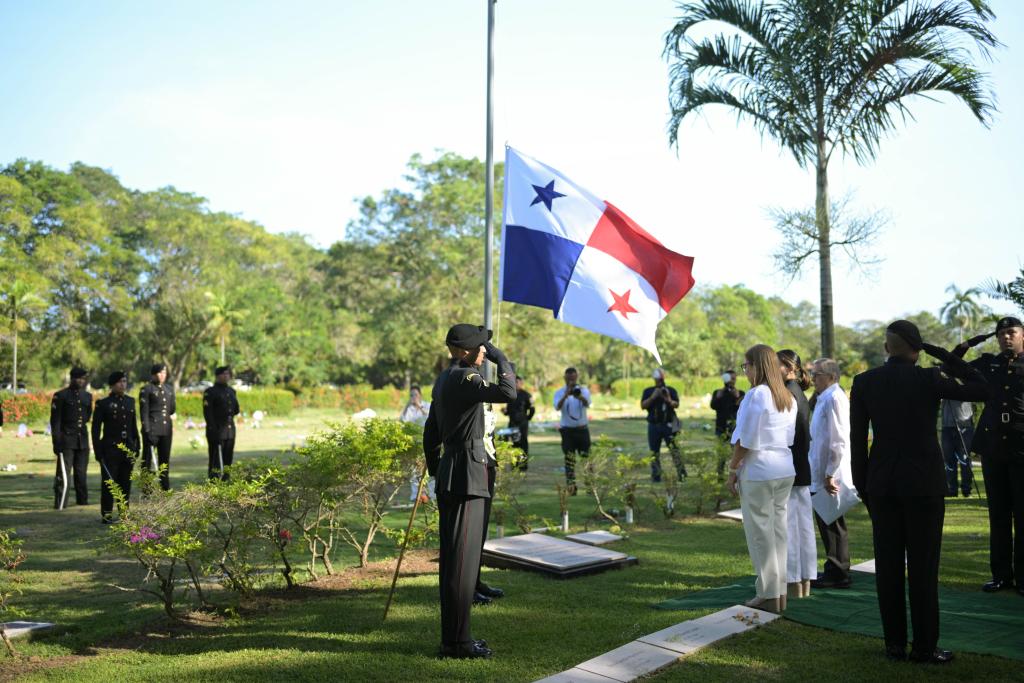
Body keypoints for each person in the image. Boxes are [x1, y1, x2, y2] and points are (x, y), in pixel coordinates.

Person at [850, 320, 990, 663]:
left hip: (882, 483)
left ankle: (894, 644)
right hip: (923, 483)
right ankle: (925, 647)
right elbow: (982, 388)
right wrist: (945, 355)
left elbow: (857, 440)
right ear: (918, 349)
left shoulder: (865, 381)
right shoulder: (930, 378)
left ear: (887, 348)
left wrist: (863, 485)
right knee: (924, 568)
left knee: (888, 567)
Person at [423, 324, 515, 659]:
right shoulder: (465, 378)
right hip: (467, 475)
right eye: (480, 347)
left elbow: (430, 432)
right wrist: (501, 358)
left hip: (454, 473)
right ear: (464, 351)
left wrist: (438, 470)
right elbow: (508, 393)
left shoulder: (443, 379)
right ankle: (457, 643)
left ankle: (456, 638)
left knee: (454, 561)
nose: (484, 351)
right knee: (461, 564)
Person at [954, 316, 1024, 595]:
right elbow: (951, 368)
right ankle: (1001, 576)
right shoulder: (988, 364)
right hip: (994, 449)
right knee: (998, 515)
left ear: (1022, 335)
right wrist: (968, 344)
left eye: (1012, 332)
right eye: (1001, 333)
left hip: (1021, 450)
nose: (1006, 337)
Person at [726, 344, 796, 614]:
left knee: (760, 535)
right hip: (783, 468)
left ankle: (768, 593)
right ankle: (778, 591)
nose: (745, 372)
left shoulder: (757, 394)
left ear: (757, 366)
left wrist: (732, 469)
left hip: (759, 469)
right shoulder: (786, 395)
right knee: (778, 533)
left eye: (746, 366)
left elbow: (745, 439)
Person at [808, 358, 853, 590]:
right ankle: (835, 568)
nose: (813, 379)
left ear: (832, 376)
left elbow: (839, 439)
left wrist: (830, 472)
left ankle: (838, 571)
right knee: (828, 521)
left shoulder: (834, 397)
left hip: (829, 471)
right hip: (821, 468)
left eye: (817, 374)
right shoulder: (824, 397)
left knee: (831, 521)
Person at [778, 350, 815, 600]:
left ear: (790, 368)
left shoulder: (787, 393)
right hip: (801, 466)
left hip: (790, 467)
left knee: (790, 528)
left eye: (777, 365)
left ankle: (793, 582)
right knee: (803, 529)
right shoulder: (798, 392)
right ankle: (803, 582)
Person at [91, 372, 140, 523]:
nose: (122, 384)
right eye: (119, 382)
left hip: (127, 448)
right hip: (110, 449)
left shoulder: (130, 401)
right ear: (112, 385)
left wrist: (137, 444)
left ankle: (124, 514)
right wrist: (98, 451)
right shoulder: (103, 404)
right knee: (110, 484)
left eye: (124, 381)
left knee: (125, 483)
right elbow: (95, 430)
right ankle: (107, 515)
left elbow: (133, 426)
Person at [50, 367, 93, 510]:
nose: (81, 381)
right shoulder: (61, 396)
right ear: (72, 378)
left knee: (81, 474)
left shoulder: (87, 396)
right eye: (78, 378)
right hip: (66, 440)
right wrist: (56, 442)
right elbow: (55, 422)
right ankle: (61, 502)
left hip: (82, 440)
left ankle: (82, 502)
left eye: (83, 378)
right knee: (63, 473)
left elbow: (87, 416)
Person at [641, 368, 686, 482]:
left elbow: (676, 405)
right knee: (654, 452)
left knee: (675, 450)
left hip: (670, 424)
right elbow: (643, 406)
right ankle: (656, 476)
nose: (658, 381)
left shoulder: (670, 390)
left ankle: (682, 474)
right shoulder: (648, 391)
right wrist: (653, 397)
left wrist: (668, 399)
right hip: (654, 425)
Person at [139, 363, 176, 492]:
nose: (162, 375)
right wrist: (146, 430)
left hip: (166, 429)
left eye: (164, 373)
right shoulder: (147, 389)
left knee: (164, 460)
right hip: (152, 429)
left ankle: (165, 486)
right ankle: (146, 488)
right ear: (153, 374)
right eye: (160, 373)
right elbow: (144, 412)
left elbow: (172, 409)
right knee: (147, 460)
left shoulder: (169, 389)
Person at [553, 367, 591, 492]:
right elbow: (557, 407)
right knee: (569, 460)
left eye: (573, 378)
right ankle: (572, 488)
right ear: (564, 378)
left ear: (576, 377)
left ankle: (590, 487)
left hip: (582, 430)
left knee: (586, 459)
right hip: (567, 431)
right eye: (569, 378)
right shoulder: (559, 392)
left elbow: (587, 404)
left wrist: (579, 396)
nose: (571, 381)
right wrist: (565, 395)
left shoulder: (583, 390)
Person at [203, 366, 240, 481]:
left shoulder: (231, 391)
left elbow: (236, 410)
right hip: (216, 430)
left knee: (228, 459)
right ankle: (214, 482)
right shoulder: (210, 392)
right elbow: (208, 414)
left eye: (228, 374)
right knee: (215, 460)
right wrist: (213, 430)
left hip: (229, 430)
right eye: (224, 374)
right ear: (218, 376)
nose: (227, 376)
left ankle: (226, 480)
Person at [400, 386, 433, 502]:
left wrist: (419, 406)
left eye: (415, 394)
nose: (413, 397)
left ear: (420, 395)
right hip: (415, 442)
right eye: (411, 395)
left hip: (428, 440)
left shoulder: (427, 405)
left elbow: (430, 417)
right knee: (414, 469)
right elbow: (403, 421)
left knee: (430, 467)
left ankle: (432, 495)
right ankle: (416, 496)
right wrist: (407, 406)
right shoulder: (409, 409)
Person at [940, 399, 974, 497]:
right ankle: (951, 489)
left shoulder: (967, 387)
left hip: (965, 425)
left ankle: (966, 489)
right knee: (948, 460)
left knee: (965, 459)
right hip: (947, 426)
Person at [503, 375, 535, 469]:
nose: (515, 384)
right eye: (514, 382)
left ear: (521, 383)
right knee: (513, 443)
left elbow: (532, 409)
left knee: (523, 444)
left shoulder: (526, 395)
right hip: (512, 423)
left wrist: (527, 418)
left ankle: (523, 466)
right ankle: (514, 465)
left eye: (517, 382)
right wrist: (505, 412)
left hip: (522, 424)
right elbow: (508, 411)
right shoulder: (510, 394)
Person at [710, 370, 744, 440]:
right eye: (729, 379)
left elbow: (743, 410)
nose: (731, 381)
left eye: (733, 379)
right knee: (720, 446)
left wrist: (738, 397)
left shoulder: (741, 393)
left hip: (735, 427)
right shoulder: (718, 392)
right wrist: (718, 398)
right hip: (720, 427)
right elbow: (713, 406)